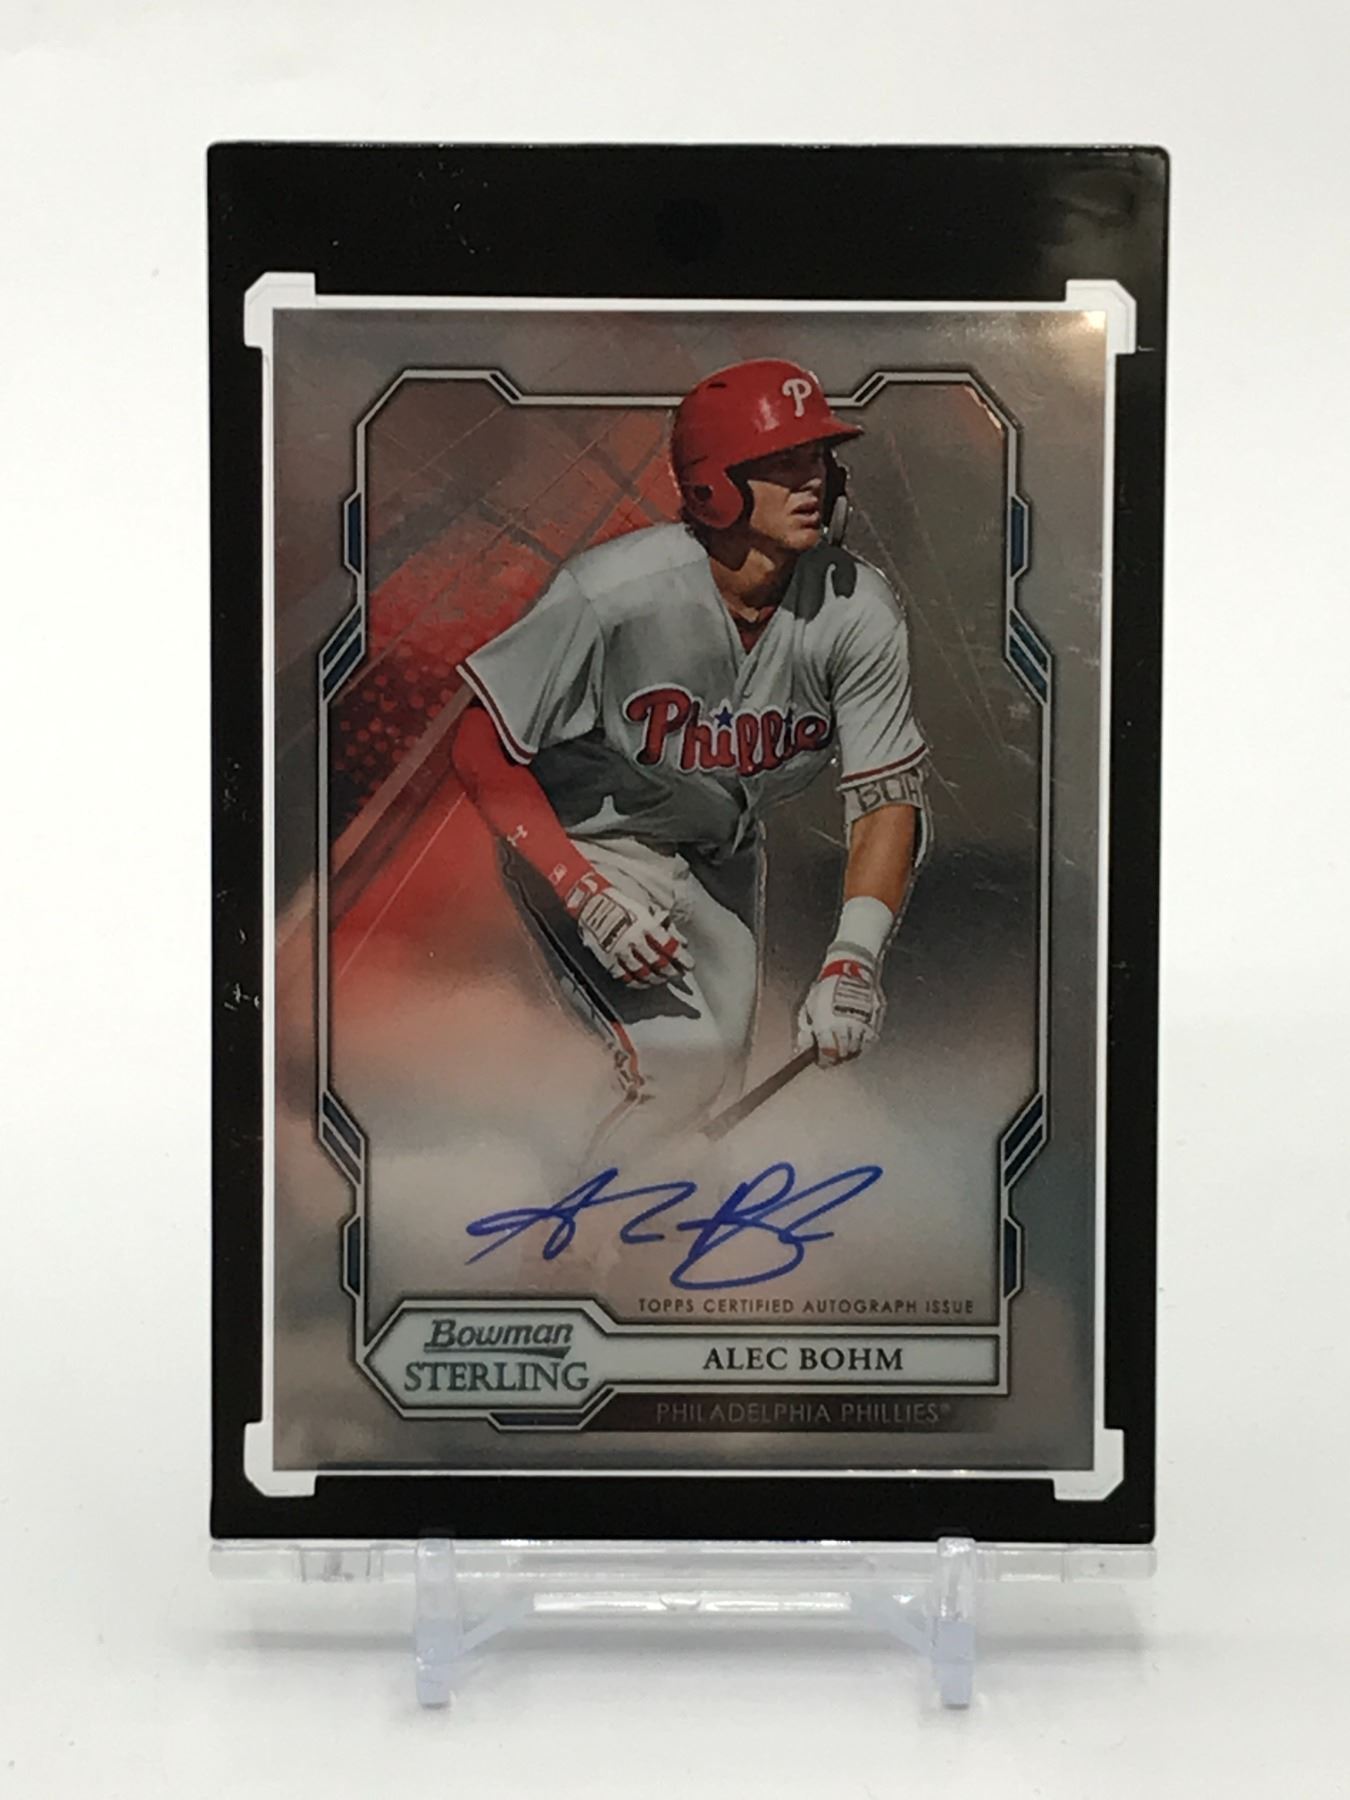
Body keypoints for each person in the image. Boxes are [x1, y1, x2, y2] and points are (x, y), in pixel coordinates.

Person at [450, 357, 928, 1160]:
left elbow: (886, 802)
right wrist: (582, 890)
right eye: (780, 462)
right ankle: (570, 1226)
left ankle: (636, 1221)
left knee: (717, 1084)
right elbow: (479, 743)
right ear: (713, 486)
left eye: (817, 457)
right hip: (593, 839)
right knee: (684, 1070)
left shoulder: (857, 608)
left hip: (719, 852)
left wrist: (853, 958)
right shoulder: (615, 592)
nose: (811, 479)